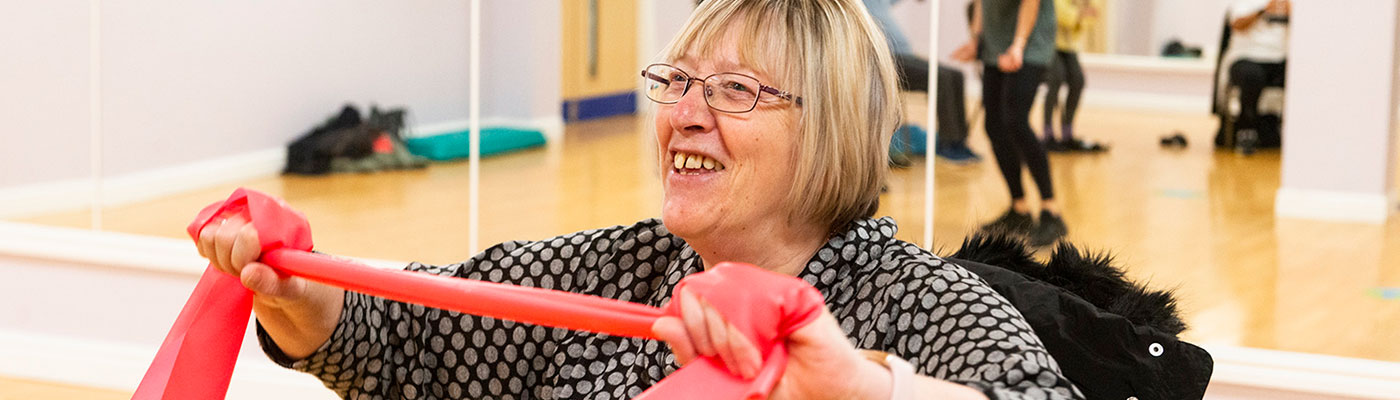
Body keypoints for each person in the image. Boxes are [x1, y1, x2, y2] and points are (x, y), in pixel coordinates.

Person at [197, 1, 1082, 398]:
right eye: (677, 81)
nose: (685, 116)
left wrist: (862, 392)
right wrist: (307, 298)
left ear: (832, 130)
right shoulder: (619, 270)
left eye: (736, 91)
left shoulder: (917, 305)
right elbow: (412, 340)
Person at [951, 0, 1068, 246]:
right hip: (995, 45)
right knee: (994, 124)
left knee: (1015, 120)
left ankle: (1051, 210)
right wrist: (976, 39)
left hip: (1030, 44)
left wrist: (1018, 45)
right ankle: (1020, 208)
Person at [863, 0, 982, 164]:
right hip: (885, 58)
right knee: (941, 78)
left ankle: (958, 142)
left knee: (955, 75)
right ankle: (949, 146)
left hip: (904, 56)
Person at [1041, 0, 1107, 153]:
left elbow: (1090, 17)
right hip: (1050, 43)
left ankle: (1067, 132)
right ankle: (1048, 133)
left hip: (1069, 45)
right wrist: (1079, 14)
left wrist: (1078, 16)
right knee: (1055, 79)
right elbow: (1061, 13)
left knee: (1078, 81)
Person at [1224, 0, 1290, 152]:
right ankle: (1246, 130)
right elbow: (1237, 24)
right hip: (1246, 57)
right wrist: (1263, 11)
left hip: (1279, 58)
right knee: (1252, 76)